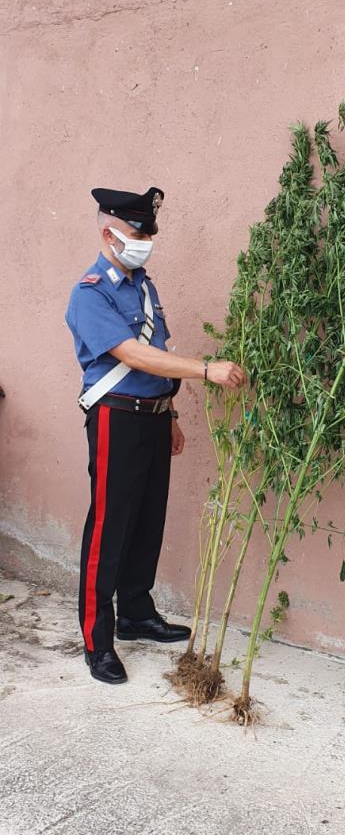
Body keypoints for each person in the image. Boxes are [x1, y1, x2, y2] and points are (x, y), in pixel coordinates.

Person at [66, 186, 246, 686]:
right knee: (109, 525)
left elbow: (157, 352)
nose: (145, 241)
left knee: (148, 517)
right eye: (137, 233)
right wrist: (204, 370)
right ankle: (97, 640)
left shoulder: (144, 286)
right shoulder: (91, 291)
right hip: (116, 417)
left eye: (148, 234)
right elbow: (134, 355)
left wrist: (170, 413)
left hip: (150, 415)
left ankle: (136, 613)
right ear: (109, 233)